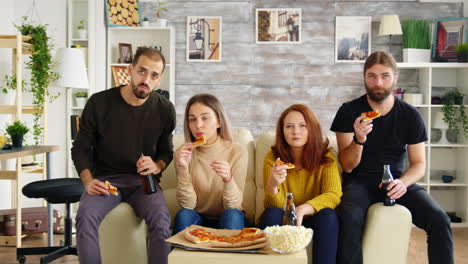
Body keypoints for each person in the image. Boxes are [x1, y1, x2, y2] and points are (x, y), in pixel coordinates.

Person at [330, 51, 453, 264]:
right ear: (365, 77)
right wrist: (359, 139)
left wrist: (403, 183)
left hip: (397, 180)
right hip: (359, 182)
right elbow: (348, 166)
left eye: (385, 76)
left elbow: (419, 164)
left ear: (395, 77)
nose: (378, 82)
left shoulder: (410, 115)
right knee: (349, 219)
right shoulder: (349, 111)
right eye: (372, 76)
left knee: (439, 219)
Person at [72, 47, 176, 264]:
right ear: (130, 70)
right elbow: (80, 148)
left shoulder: (165, 109)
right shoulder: (98, 103)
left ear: (160, 79)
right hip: (105, 181)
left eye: (154, 75)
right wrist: (88, 181)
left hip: (143, 183)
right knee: (85, 216)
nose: (146, 79)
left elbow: (167, 152)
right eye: (141, 71)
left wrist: (156, 166)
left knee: (161, 220)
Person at [259, 104, 342, 264]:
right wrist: (273, 185)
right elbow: (272, 205)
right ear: (282, 131)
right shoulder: (273, 158)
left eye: (302, 126)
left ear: (312, 129)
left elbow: (333, 194)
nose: (295, 131)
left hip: (314, 218)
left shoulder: (326, 156)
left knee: (329, 215)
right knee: (271, 213)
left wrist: (303, 209)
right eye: (289, 126)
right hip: (283, 217)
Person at [172, 94, 248, 235]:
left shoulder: (237, 151)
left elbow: (234, 205)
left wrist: (228, 179)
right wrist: (182, 169)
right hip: (199, 217)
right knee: (184, 215)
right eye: (192, 119)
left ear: (219, 122)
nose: (198, 125)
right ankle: (178, 257)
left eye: (205, 118)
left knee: (232, 215)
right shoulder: (184, 153)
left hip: (229, 215)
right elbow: (188, 205)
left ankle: (232, 255)